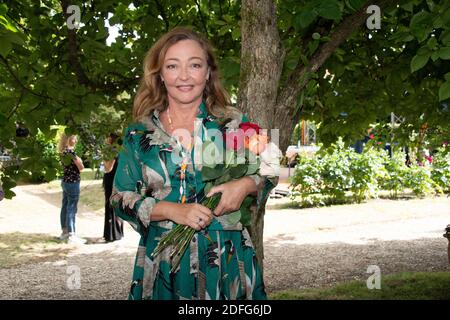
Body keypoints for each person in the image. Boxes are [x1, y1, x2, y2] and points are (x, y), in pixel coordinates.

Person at [111, 27, 279, 300]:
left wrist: (246, 184)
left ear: (208, 72)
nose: (185, 76)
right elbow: (119, 197)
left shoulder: (233, 123)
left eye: (195, 65)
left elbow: (272, 167)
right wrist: (170, 210)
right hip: (165, 262)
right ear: (160, 75)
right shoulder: (139, 134)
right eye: (173, 66)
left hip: (227, 259)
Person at [58, 134, 86, 245]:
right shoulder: (70, 153)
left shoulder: (63, 152)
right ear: (69, 139)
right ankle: (71, 234)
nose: (76, 140)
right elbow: (81, 167)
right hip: (73, 182)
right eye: (74, 138)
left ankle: (64, 232)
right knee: (71, 207)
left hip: (65, 181)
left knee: (65, 205)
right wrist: (79, 159)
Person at [103, 133, 124, 242]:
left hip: (111, 180)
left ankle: (112, 234)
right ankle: (118, 232)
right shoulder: (121, 149)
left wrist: (104, 159)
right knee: (116, 204)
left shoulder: (111, 151)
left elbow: (108, 168)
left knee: (110, 205)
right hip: (119, 180)